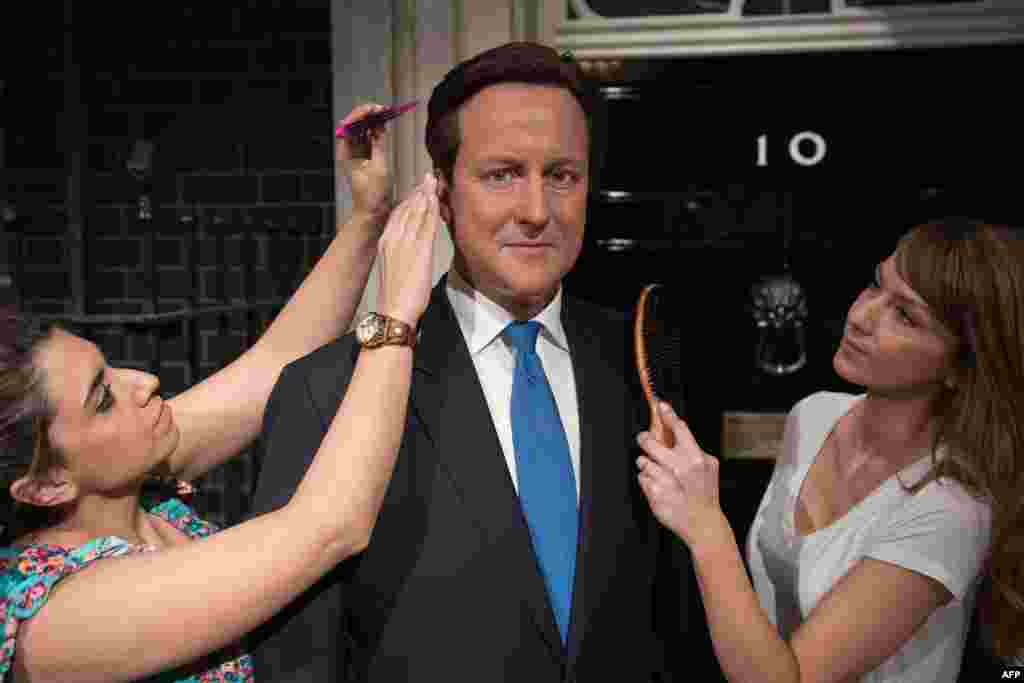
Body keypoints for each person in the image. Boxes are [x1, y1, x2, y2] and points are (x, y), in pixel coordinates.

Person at [247, 41, 708, 682]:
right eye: (501, 175)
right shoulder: (324, 392)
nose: (536, 211)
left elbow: (680, 617)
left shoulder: (642, 361)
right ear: (441, 196)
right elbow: (300, 659)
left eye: (562, 176)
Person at [0, 104, 442, 682]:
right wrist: (396, 318)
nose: (144, 382)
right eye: (102, 397)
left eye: (110, 369)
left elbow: (275, 364)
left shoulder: (129, 485)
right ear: (46, 484)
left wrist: (367, 216)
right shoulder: (62, 617)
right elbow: (329, 525)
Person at [635, 218, 1024, 682]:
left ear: (961, 365)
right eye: (875, 285)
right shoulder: (814, 416)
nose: (861, 316)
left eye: (905, 315)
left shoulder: (953, 508)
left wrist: (705, 526)